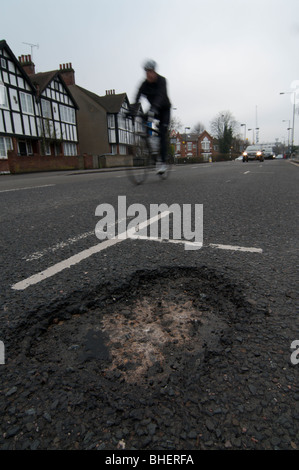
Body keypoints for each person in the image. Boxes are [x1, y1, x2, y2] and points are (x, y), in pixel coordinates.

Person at [134, 60, 171, 174]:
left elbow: (160, 95)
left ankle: (163, 162)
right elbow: (137, 98)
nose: (149, 75)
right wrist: (131, 111)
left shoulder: (162, 81)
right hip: (153, 109)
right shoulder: (144, 85)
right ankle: (151, 146)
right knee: (143, 118)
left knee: (162, 133)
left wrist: (154, 108)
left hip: (164, 109)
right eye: (147, 72)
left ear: (155, 72)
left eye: (151, 72)